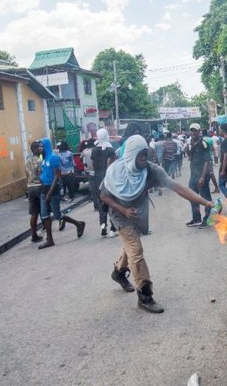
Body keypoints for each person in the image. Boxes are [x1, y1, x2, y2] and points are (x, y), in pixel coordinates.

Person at [100, 135, 214, 313]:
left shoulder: (152, 170)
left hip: (138, 212)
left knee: (131, 246)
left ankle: (118, 272)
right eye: (141, 155)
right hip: (120, 214)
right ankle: (145, 296)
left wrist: (205, 202)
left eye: (146, 154)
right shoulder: (115, 170)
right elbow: (104, 196)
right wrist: (123, 210)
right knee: (136, 251)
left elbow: (178, 188)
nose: (146, 158)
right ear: (130, 155)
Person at [37, 137, 86, 250]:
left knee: (57, 215)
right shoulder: (43, 158)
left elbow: (56, 176)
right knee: (44, 215)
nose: (40, 148)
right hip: (43, 188)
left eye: (41, 146)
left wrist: (49, 193)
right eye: (39, 146)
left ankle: (78, 224)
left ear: (46, 146)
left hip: (52, 189)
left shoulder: (53, 158)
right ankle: (49, 240)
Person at [186, 124, 213, 227]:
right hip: (194, 174)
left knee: (205, 197)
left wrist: (202, 177)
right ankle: (196, 218)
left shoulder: (204, 143)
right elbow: (190, 157)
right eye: (191, 131)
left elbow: (207, 161)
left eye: (195, 131)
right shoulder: (190, 142)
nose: (193, 133)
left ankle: (207, 219)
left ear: (199, 131)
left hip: (203, 175)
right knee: (191, 196)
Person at [91, 128, 117, 238]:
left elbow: (92, 164)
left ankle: (102, 225)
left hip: (97, 179)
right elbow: (113, 164)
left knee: (102, 202)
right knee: (112, 203)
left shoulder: (95, 150)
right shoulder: (111, 150)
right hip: (109, 179)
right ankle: (112, 229)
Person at [25, 140, 44, 244]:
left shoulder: (27, 160)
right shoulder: (39, 161)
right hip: (39, 186)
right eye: (39, 148)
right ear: (35, 149)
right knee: (43, 210)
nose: (40, 149)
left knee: (34, 213)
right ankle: (47, 230)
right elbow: (40, 173)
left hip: (30, 186)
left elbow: (26, 174)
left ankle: (34, 235)